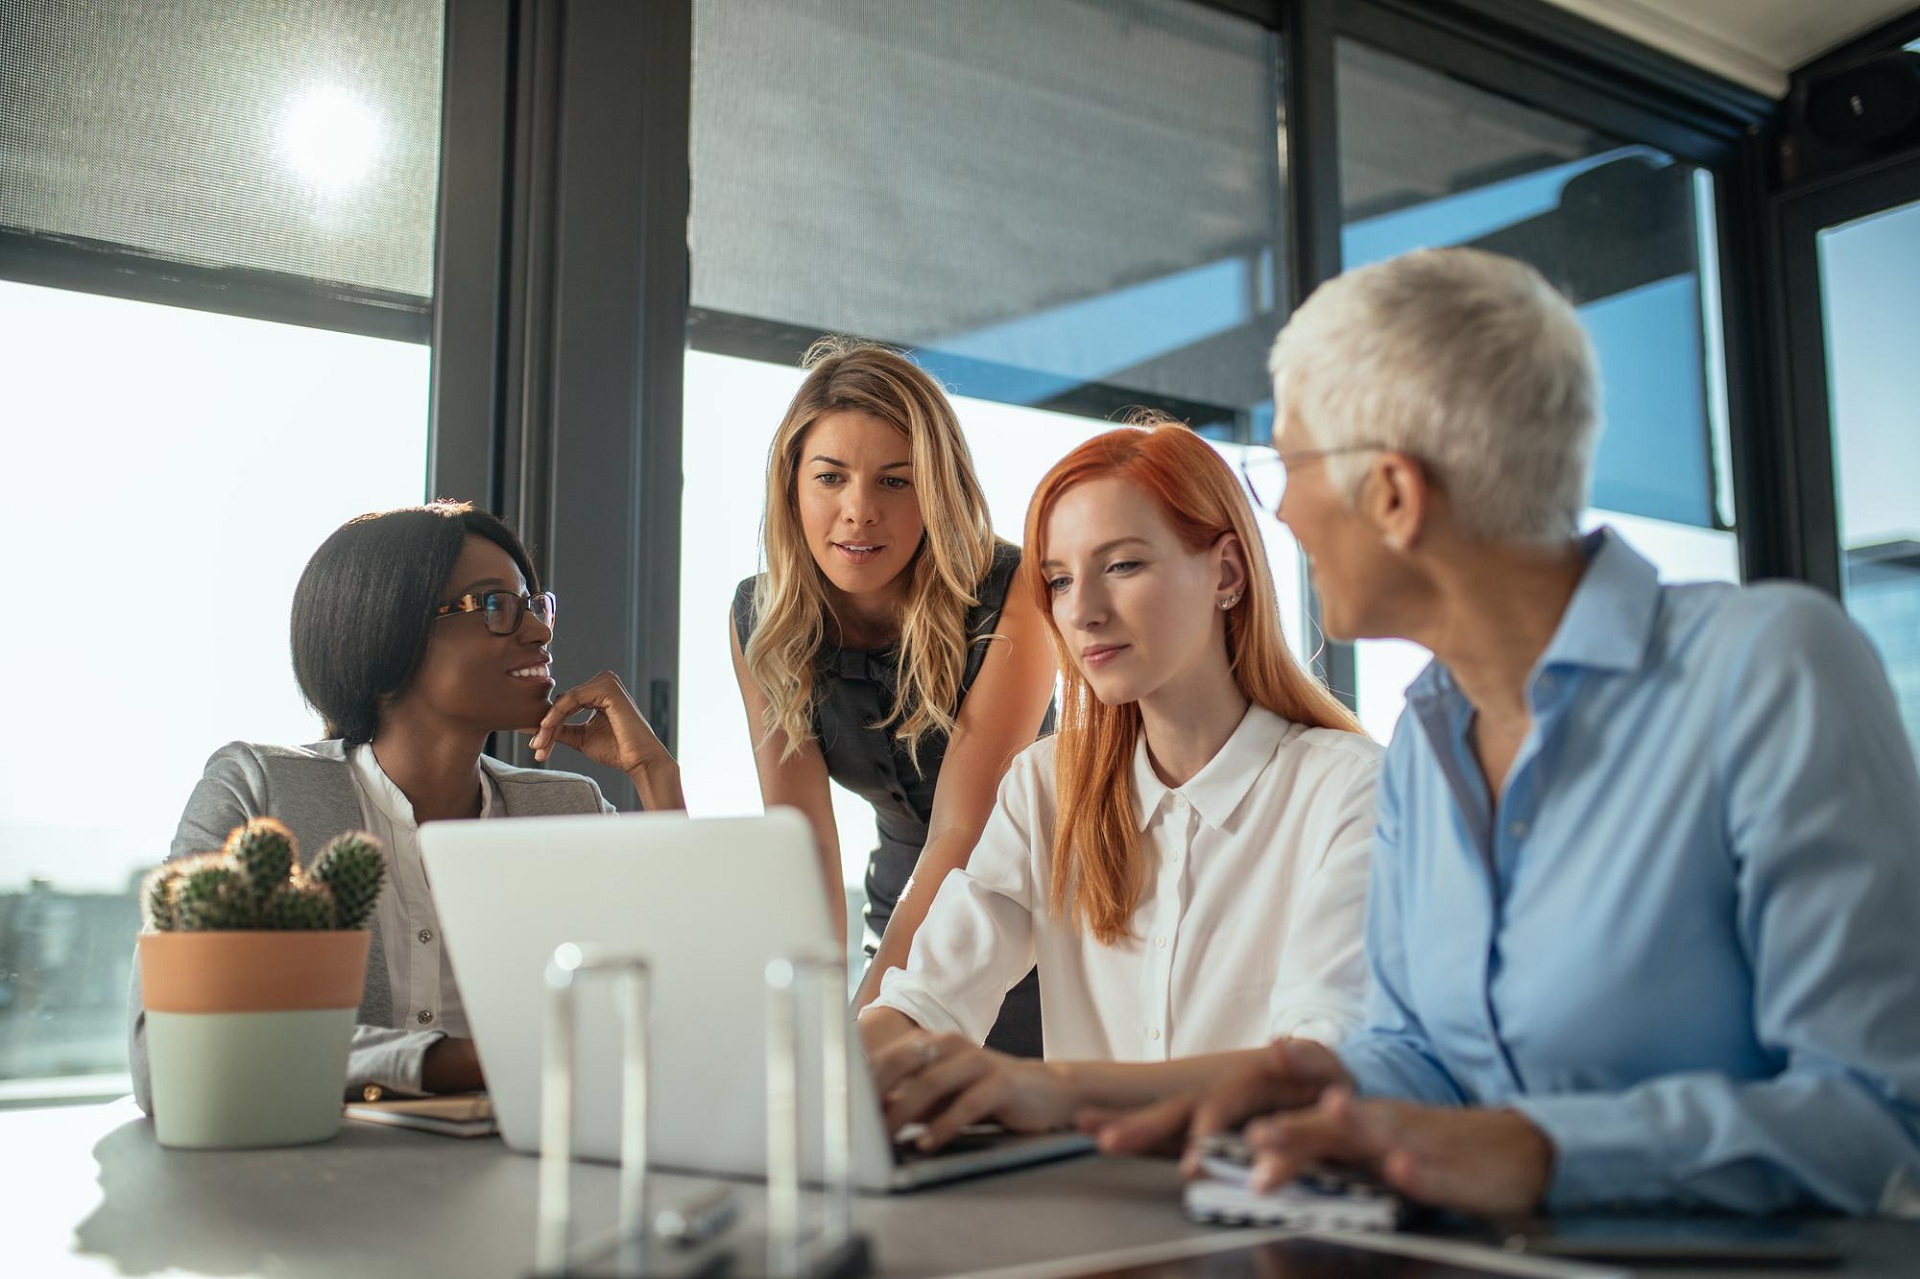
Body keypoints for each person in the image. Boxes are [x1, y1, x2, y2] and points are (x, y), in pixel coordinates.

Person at [1095, 247, 1920, 1218]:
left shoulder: (1770, 667)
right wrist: (1324, 1090)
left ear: (1395, 494)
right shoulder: (1424, 739)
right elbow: (1420, 1054)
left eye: (1292, 462)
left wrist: (1542, 1151)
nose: (1281, 505)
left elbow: (1877, 1113)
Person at [856, 421, 1381, 1151]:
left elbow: (1319, 1066)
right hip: (1090, 1225)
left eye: (1124, 565)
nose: (1082, 610)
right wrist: (816, 1078)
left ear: (1227, 573)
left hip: (1264, 1216)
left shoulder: (1350, 790)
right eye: (1061, 579)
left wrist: (1060, 1090)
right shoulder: (1045, 786)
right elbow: (928, 998)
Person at [130, 501, 681, 1108]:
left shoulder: (567, 811)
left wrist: (654, 774)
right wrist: (455, 1062)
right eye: (496, 606)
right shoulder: (259, 789)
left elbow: (691, 1012)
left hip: (522, 1178)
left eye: (535, 605)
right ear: (389, 630)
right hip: (312, 1185)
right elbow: (167, 1052)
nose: (540, 630)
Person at [730, 339, 1057, 1055]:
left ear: (936, 489)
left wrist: (864, 1020)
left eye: (895, 482)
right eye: (831, 477)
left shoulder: (1014, 590)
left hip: (1036, 934)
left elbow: (962, 830)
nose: (858, 511)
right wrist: (811, 1020)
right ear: (793, 486)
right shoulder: (762, 618)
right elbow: (802, 839)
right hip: (898, 921)